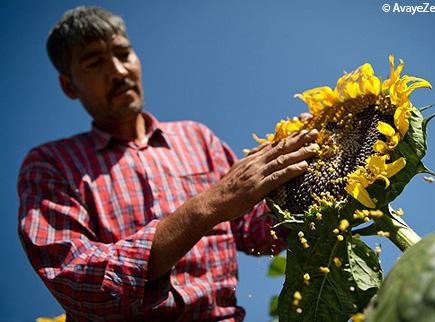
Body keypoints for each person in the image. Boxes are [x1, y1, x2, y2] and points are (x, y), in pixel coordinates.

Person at [17, 6, 318, 321]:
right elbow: (80, 284)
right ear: (69, 86)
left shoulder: (197, 139)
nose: (118, 71)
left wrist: (308, 168)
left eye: (124, 53)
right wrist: (210, 203)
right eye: (94, 62)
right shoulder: (51, 164)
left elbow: (257, 233)